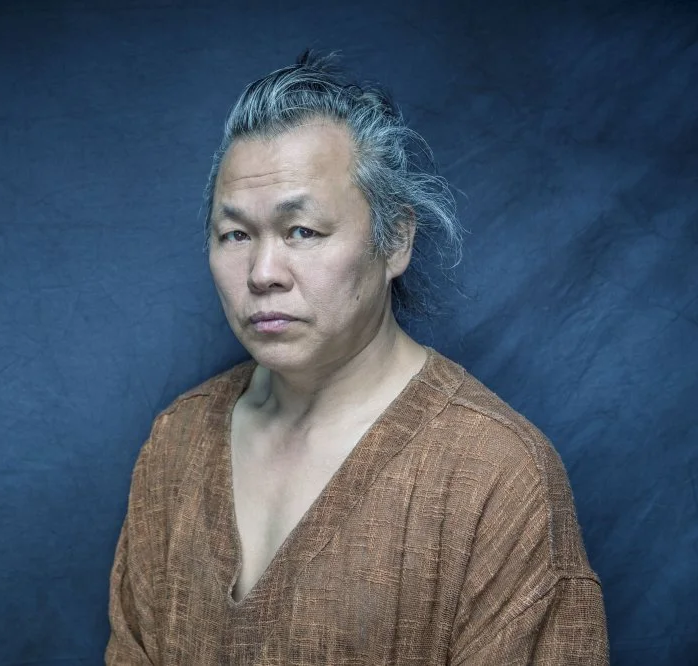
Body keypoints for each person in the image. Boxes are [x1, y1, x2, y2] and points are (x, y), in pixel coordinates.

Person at [105, 50, 609, 665]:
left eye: (303, 232)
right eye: (235, 235)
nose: (263, 273)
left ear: (394, 239)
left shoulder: (497, 476)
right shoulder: (176, 441)